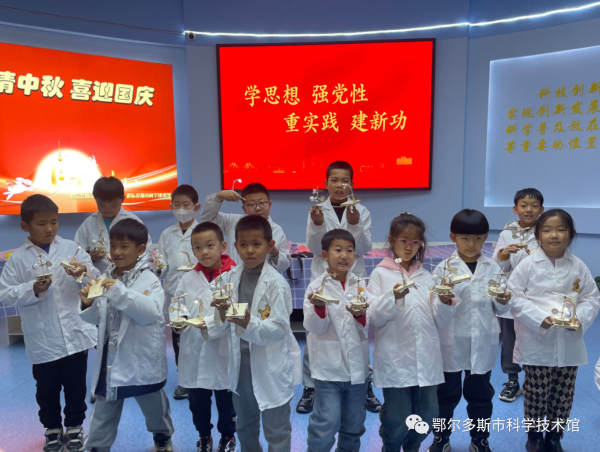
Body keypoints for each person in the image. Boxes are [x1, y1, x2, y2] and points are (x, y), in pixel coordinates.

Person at [0, 194, 98, 452]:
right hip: (43, 338)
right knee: (47, 389)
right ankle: (52, 429)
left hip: (75, 333)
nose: (49, 229)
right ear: (25, 226)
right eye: (41, 223)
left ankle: (75, 427)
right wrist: (33, 289)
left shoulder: (71, 248)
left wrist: (82, 272)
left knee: (76, 386)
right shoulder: (17, 259)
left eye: (54, 222)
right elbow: (5, 293)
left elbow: (95, 277)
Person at [507, 209, 599, 452]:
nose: (554, 235)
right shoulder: (528, 265)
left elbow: (591, 297)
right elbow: (513, 296)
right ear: (538, 235)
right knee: (536, 392)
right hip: (537, 340)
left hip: (569, 341)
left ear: (571, 234)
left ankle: (555, 437)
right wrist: (538, 318)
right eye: (547, 230)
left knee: (563, 393)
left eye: (561, 229)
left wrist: (579, 318)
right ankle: (535, 437)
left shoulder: (578, 266)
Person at [79, 219, 173, 452]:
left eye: (124, 246)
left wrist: (118, 291)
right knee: (104, 407)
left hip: (141, 357)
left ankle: (162, 434)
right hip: (111, 358)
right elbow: (99, 316)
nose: (117, 252)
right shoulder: (106, 276)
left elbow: (150, 312)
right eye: (113, 246)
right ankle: (97, 446)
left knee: (153, 404)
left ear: (140, 250)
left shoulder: (149, 279)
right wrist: (87, 304)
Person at [367, 213, 456, 452]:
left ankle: (413, 447)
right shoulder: (380, 274)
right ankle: (391, 446)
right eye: (403, 241)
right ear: (391, 240)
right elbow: (374, 316)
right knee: (398, 417)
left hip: (426, 358)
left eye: (415, 242)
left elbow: (440, 320)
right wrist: (393, 297)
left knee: (428, 415)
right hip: (395, 359)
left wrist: (445, 302)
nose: (409, 247)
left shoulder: (426, 276)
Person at [211, 215, 301, 452]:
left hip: (270, 363)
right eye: (243, 244)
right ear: (235, 246)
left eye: (256, 244)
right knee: (245, 425)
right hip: (241, 363)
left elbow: (279, 328)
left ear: (269, 246)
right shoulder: (228, 279)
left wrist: (248, 323)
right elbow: (217, 321)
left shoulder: (277, 284)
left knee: (277, 429)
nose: (249, 250)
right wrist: (217, 315)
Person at [427, 209, 512, 452]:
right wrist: (444, 302)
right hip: (452, 343)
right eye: (464, 238)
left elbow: (500, 306)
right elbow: (436, 312)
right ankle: (441, 438)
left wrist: (504, 299)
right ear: (453, 237)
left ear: (485, 237)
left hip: (482, 342)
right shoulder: (443, 269)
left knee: (481, 397)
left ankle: (479, 439)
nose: (471, 244)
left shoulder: (493, 268)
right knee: (445, 396)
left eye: (477, 238)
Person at [299, 160, 379, 415]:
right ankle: (310, 387)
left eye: (345, 180)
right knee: (316, 332)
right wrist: (318, 224)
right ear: (326, 184)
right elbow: (315, 247)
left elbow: (363, 249)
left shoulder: (361, 211)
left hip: (352, 279)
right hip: (324, 278)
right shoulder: (317, 210)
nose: (339, 185)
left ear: (352, 185)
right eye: (334, 180)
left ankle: (366, 384)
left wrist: (354, 223)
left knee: (359, 332)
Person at [171, 221, 237, 452]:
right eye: (198, 248)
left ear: (223, 246)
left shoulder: (234, 276)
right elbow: (177, 303)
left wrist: (208, 323)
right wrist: (178, 318)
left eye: (210, 245)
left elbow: (236, 312)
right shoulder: (188, 278)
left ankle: (228, 436)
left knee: (226, 402)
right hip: (194, 348)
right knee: (197, 402)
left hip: (223, 350)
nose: (204, 252)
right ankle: (204, 436)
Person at [303, 229, 370, 452]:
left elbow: (367, 326)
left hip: (357, 370)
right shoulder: (315, 287)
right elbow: (313, 327)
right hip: (328, 370)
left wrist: (361, 315)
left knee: (354, 423)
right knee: (325, 422)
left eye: (350, 251)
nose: (344, 256)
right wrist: (319, 308)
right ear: (325, 255)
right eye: (338, 250)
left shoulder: (360, 285)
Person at [492, 188, 544, 403]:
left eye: (534, 206)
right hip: (511, 295)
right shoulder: (506, 234)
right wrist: (504, 254)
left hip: (537, 295)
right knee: (509, 340)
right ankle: (512, 380)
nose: (529, 209)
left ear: (541, 210)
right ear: (516, 209)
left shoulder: (544, 232)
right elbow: (498, 267)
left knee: (536, 337)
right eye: (524, 205)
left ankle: (535, 380)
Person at [158, 184, 202, 400]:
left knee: (199, 336)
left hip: (199, 293)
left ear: (196, 207)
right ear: (171, 207)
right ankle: (184, 380)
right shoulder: (167, 234)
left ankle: (202, 379)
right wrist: (158, 266)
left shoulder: (203, 232)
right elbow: (162, 260)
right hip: (175, 295)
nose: (182, 209)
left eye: (186, 205)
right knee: (179, 339)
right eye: (177, 205)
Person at [200, 182, 291, 271]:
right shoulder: (233, 222)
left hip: (264, 279)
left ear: (269, 205)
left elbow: (285, 265)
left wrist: (273, 251)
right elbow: (208, 218)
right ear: (244, 209)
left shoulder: (277, 231)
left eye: (262, 203)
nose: (258, 208)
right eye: (251, 204)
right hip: (234, 278)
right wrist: (219, 197)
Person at [75, 176, 152, 274]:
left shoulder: (133, 221)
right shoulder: (88, 223)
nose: (108, 209)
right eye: (102, 205)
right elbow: (77, 253)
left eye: (114, 205)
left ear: (122, 199)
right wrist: (91, 257)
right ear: (95, 199)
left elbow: (146, 251)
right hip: (97, 277)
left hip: (127, 276)